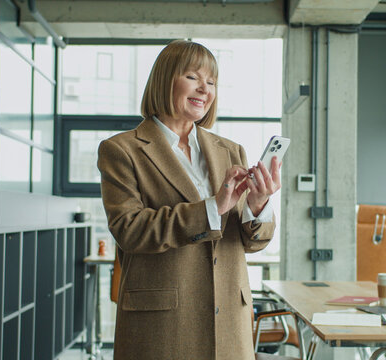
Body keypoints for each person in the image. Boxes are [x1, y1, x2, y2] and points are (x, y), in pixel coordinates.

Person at [97, 40, 282, 360]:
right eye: (194, 77)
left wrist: (258, 205)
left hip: (229, 324)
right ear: (165, 80)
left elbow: (250, 243)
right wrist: (213, 208)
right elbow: (130, 230)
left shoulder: (230, 150)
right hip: (162, 325)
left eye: (212, 82)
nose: (205, 89)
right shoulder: (122, 150)